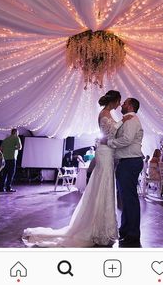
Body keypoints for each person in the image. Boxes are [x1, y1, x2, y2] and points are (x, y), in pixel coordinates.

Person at [22, 90, 131, 247]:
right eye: (119, 101)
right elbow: (108, 136)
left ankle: (103, 226)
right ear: (113, 101)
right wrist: (122, 125)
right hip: (105, 153)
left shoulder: (107, 114)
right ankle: (98, 228)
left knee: (104, 186)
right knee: (104, 185)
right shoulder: (105, 114)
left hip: (106, 152)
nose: (120, 104)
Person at [103, 97, 144, 246]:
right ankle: (125, 230)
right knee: (126, 199)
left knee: (130, 199)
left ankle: (133, 234)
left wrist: (108, 142)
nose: (122, 105)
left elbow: (127, 139)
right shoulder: (127, 120)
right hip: (126, 162)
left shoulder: (132, 120)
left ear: (131, 106)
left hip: (130, 162)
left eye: (125, 103)